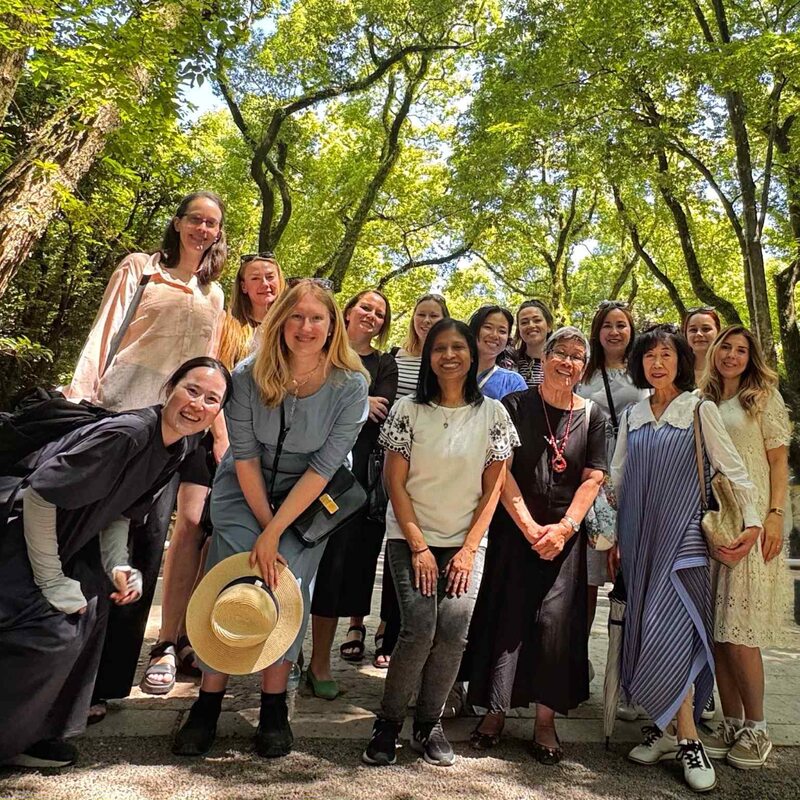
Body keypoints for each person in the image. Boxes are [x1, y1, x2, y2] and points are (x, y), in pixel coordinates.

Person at [0, 358, 232, 769]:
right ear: (170, 388)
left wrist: (119, 565)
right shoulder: (127, 435)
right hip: (22, 530)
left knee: (90, 616)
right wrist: (52, 579)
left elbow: (122, 513)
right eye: (191, 390)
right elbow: (40, 495)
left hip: (74, 536)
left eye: (211, 399)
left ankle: (33, 732)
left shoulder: (175, 448)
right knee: (49, 630)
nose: (198, 404)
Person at [172, 279, 369, 759]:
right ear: (281, 321)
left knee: (289, 582)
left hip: (309, 497)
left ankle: (274, 704)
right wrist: (263, 526)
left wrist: (278, 532)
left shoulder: (351, 385)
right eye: (296, 316)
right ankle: (208, 702)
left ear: (332, 327)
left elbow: (325, 468)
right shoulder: (247, 374)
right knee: (232, 573)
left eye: (317, 318)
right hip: (245, 487)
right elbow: (243, 455)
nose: (305, 327)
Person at [64, 191, 228, 718]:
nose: (203, 229)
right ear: (179, 224)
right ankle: (71, 682)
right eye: (196, 220)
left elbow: (209, 370)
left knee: (146, 546)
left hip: (174, 439)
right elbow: (104, 333)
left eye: (213, 224)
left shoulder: (215, 294)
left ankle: (110, 685)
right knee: (93, 546)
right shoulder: (141, 270)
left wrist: (218, 433)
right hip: (117, 420)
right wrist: (79, 401)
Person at [611, 324, 761, 793]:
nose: (658, 363)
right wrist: (612, 535)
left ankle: (689, 738)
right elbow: (617, 479)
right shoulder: (632, 415)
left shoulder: (700, 409)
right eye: (650, 356)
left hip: (684, 541)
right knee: (647, 626)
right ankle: (664, 729)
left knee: (672, 627)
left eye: (667, 355)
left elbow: (731, 469)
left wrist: (755, 521)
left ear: (680, 360)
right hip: (639, 540)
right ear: (640, 364)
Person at [361, 319, 518, 767]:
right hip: (411, 537)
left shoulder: (494, 414)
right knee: (418, 628)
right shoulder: (408, 410)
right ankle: (388, 722)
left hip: (467, 542)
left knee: (453, 629)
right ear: (428, 357)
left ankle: (428, 723)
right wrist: (418, 545)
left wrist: (469, 550)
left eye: (457, 347)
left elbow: (494, 490)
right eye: (439, 349)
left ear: (471, 355)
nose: (449, 355)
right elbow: (395, 480)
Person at [142, 252, 285, 694]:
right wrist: (223, 439)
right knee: (189, 529)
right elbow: (213, 380)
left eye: (271, 277)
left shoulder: (290, 330)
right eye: (254, 278)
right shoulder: (228, 324)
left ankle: (198, 637)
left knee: (222, 542)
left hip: (264, 457)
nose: (264, 284)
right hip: (212, 441)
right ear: (243, 286)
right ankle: (166, 642)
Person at [464, 327, 606, 765]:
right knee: (506, 617)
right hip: (514, 531)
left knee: (556, 628)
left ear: (584, 367)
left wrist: (564, 528)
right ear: (543, 357)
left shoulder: (594, 414)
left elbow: (594, 477)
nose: (567, 362)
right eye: (560, 353)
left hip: (565, 539)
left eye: (577, 357)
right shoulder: (515, 404)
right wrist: (527, 525)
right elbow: (498, 469)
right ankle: (495, 714)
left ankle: (546, 721)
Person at [698, 326, 792, 769]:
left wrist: (775, 516)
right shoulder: (705, 400)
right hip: (717, 523)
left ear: (751, 357)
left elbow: (778, 462)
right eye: (726, 348)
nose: (732, 355)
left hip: (754, 521)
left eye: (741, 350)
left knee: (740, 634)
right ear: (715, 352)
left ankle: (758, 728)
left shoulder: (762, 397)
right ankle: (731, 721)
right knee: (718, 634)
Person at [308, 289, 398, 697]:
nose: (372, 316)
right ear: (346, 311)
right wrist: (361, 400)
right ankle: (283, 657)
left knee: (337, 573)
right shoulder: (318, 349)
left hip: (354, 487)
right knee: (298, 570)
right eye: (365, 307)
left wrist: (347, 402)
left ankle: (319, 663)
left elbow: (381, 414)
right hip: (302, 474)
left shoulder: (384, 364)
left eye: (380, 313)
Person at [374, 293, 450, 669]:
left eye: (434, 315)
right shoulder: (395, 358)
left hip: (435, 467)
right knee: (399, 551)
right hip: (396, 458)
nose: (426, 320)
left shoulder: (446, 359)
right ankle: (387, 632)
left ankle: (410, 636)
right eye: (422, 314)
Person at [576, 300, 648, 687]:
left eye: (622, 325)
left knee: (632, 583)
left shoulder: (646, 373)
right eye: (607, 325)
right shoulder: (584, 374)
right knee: (586, 583)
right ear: (597, 331)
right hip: (593, 484)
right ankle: (576, 661)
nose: (615, 331)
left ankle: (628, 675)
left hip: (636, 483)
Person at [468, 305, 527, 400]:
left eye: (502, 331)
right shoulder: (453, 372)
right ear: (474, 331)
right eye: (488, 327)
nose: (494, 335)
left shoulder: (513, 382)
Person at [510, 299, 553, 386]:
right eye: (524, 322)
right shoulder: (509, 362)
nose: (531, 325)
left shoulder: (559, 363)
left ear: (549, 326)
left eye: (537, 320)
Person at [682, 307, 722, 386]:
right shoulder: (677, 372)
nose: (699, 334)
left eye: (706, 329)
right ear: (685, 334)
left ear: (718, 332)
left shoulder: (729, 369)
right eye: (693, 330)